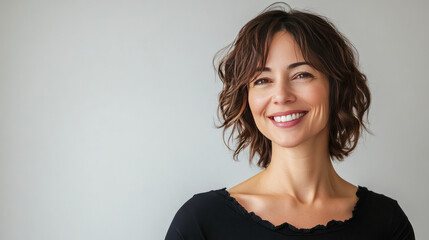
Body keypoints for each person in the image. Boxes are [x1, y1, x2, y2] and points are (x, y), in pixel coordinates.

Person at [165, 3, 415, 239]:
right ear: (247, 99)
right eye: (262, 80)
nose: (282, 95)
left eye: (302, 75)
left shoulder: (387, 223)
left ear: (336, 88)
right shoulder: (201, 222)